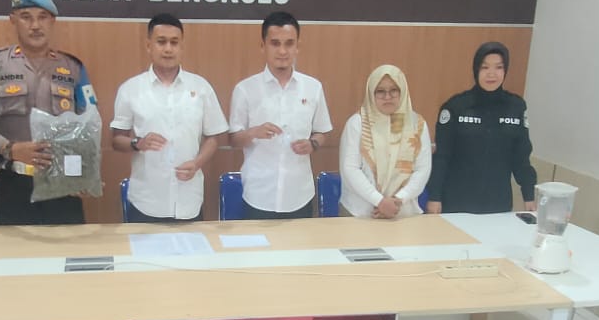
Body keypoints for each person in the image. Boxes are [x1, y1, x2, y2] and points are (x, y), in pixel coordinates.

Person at [0, 0, 100, 226]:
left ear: (52, 21)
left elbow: (90, 123)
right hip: (14, 184)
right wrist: (11, 149)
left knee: (68, 247)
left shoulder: (73, 68)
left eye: (42, 17)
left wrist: (85, 172)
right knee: (17, 250)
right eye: (26, 17)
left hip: (64, 183)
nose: (35, 25)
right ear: (13, 20)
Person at [110, 14, 228, 223]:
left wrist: (197, 163)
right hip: (146, 200)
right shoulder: (130, 89)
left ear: (182, 46)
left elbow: (213, 137)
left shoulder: (201, 87)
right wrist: (138, 143)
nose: (168, 49)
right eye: (161, 42)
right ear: (149, 46)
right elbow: (116, 140)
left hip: (189, 199)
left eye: (174, 42)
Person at [227, 12, 332, 219]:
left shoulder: (313, 87)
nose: (282, 51)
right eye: (275, 43)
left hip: (300, 195)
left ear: (297, 47)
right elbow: (233, 139)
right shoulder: (245, 89)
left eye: (289, 44)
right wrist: (254, 133)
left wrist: (313, 144)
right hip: (258, 195)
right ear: (263, 46)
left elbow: (322, 131)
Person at [425, 40, 538, 215]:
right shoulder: (456, 106)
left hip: (498, 203)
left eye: (498, 67)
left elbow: (521, 157)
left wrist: (528, 195)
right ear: (476, 69)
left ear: (505, 70)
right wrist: (434, 197)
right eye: (485, 67)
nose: (491, 74)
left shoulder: (516, 107)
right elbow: (442, 157)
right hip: (457, 201)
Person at [337, 65, 432, 219]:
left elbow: (422, 169)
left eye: (394, 90)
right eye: (380, 91)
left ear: (402, 91)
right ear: (371, 93)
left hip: (403, 212)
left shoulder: (417, 124)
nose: (387, 97)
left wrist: (399, 200)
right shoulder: (357, 123)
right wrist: (379, 201)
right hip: (360, 212)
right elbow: (350, 169)